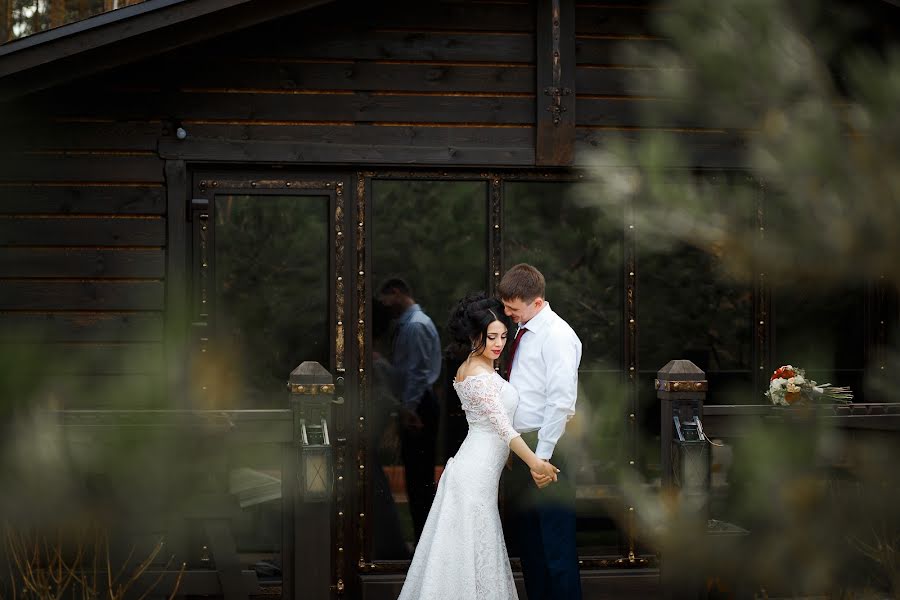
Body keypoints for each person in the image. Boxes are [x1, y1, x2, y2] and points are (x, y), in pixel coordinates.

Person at [397, 293, 559, 600]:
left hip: (480, 473)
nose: (499, 344)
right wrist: (536, 462)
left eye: (502, 336)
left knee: (474, 553)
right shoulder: (476, 374)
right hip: (473, 476)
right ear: (474, 336)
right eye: (491, 337)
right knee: (467, 555)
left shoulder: (482, 366)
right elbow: (501, 426)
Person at [500, 263, 583, 600]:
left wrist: (542, 457)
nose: (506, 314)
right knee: (530, 547)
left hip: (550, 449)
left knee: (556, 547)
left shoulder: (559, 336)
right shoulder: (522, 330)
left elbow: (561, 401)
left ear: (536, 302)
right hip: (524, 448)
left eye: (512, 308)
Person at [377, 278, 442, 543]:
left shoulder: (415, 326)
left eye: (385, 301)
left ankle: (425, 541)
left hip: (419, 405)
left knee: (420, 479)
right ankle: (423, 538)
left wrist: (409, 409)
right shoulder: (409, 325)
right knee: (416, 477)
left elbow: (417, 373)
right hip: (417, 402)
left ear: (396, 293)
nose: (385, 308)